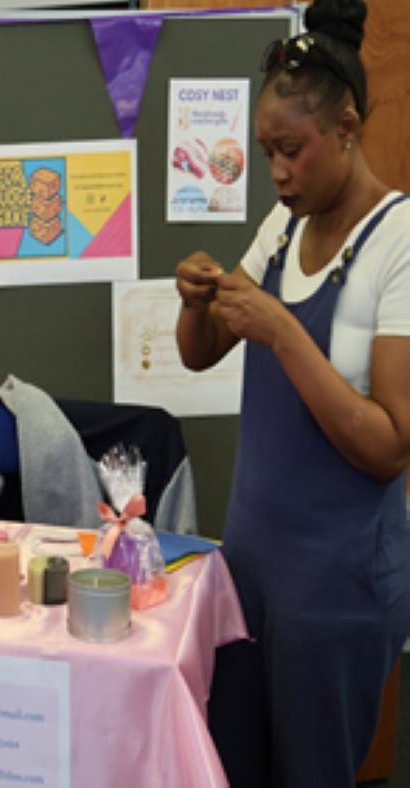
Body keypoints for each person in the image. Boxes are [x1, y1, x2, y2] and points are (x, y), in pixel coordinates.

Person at [174, 0, 410, 785]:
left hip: (334, 588)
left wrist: (282, 332)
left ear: (346, 126)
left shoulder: (398, 241)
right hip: (251, 570)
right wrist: (195, 300)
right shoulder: (282, 227)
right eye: (267, 152)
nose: (277, 172)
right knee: (238, 765)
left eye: (293, 151)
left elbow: (388, 447)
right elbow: (203, 354)